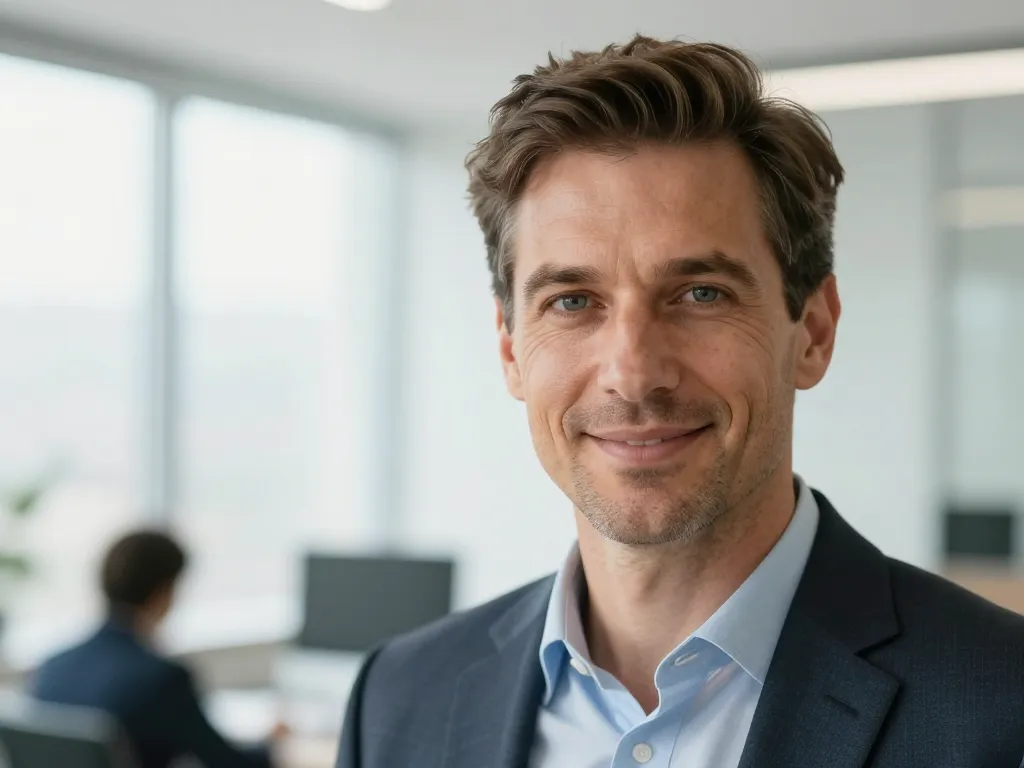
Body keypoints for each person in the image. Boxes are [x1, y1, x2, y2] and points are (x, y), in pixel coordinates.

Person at [336, 35, 1024, 768]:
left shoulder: (1001, 705)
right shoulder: (401, 699)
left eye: (701, 294)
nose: (633, 373)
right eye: (573, 301)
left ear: (813, 333)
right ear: (511, 347)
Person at [32, 530, 288, 768]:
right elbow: (228, 763)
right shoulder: (162, 680)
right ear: (164, 591)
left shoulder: (52, 668)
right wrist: (272, 745)